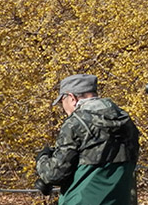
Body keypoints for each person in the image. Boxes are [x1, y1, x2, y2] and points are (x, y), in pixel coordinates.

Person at [36, 74, 140, 204]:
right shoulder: (125, 121)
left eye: (62, 101)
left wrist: (42, 158)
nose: (63, 108)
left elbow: (55, 174)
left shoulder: (76, 123)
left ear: (72, 98)